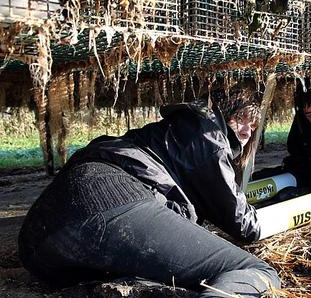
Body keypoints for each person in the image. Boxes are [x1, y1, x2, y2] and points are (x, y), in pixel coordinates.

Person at [18, 89, 281, 297]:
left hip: (38, 245)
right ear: (222, 115)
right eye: (239, 120)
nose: (246, 131)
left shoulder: (172, 130)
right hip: (108, 202)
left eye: (252, 125)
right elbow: (243, 224)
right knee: (255, 271)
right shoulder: (209, 137)